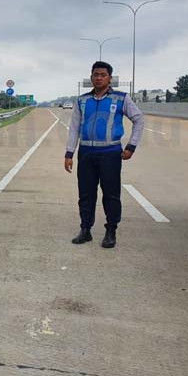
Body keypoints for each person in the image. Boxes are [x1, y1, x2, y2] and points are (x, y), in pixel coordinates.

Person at [64, 61, 144, 248]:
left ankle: (111, 231)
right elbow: (74, 128)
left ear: (109, 78)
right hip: (86, 153)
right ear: (91, 77)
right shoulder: (82, 101)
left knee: (111, 195)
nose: (98, 78)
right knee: (86, 194)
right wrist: (69, 153)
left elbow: (139, 120)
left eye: (103, 75)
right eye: (95, 75)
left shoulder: (120, 98)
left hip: (110, 153)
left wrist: (131, 146)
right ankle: (85, 230)